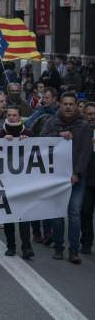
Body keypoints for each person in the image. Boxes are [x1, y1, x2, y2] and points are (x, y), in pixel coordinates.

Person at [41, 92, 92, 264]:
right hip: (56, 177)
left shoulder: (84, 126)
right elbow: (41, 142)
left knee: (74, 214)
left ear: (77, 106)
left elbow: (85, 152)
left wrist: (76, 173)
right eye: (65, 104)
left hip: (76, 178)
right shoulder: (52, 122)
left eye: (71, 104)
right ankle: (58, 247)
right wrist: (58, 135)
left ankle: (74, 250)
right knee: (57, 214)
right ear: (60, 105)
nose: (68, 107)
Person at [0, 106, 35, 260]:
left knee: (24, 216)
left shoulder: (28, 133)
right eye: (9, 115)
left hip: (23, 182)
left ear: (19, 117)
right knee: (8, 216)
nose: (12, 117)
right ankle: (11, 246)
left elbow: (38, 154)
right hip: (5, 182)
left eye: (15, 115)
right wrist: (1, 142)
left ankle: (27, 247)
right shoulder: (0, 133)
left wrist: (28, 143)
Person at [80, 102, 95, 255]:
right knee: (86, 212)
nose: (92, 117)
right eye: (89, 114)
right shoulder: (81, 131)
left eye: (94, 114)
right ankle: (86, 242)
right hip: (87, 179)